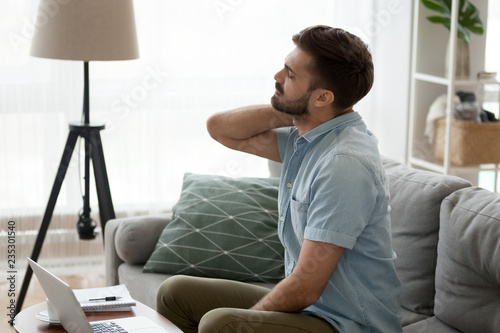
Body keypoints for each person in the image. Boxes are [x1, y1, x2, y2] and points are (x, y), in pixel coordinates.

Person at [157, 25, 402, 333]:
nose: (276, 76)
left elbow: (305, 287)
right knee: (175, 293)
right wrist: (299, 110)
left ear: (324, 96)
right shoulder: (311, 137)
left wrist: (246, 320)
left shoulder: (344, 165)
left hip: (347, 324)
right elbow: (219, 128)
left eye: (290, 75)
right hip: (313, 311)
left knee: (220, 325)